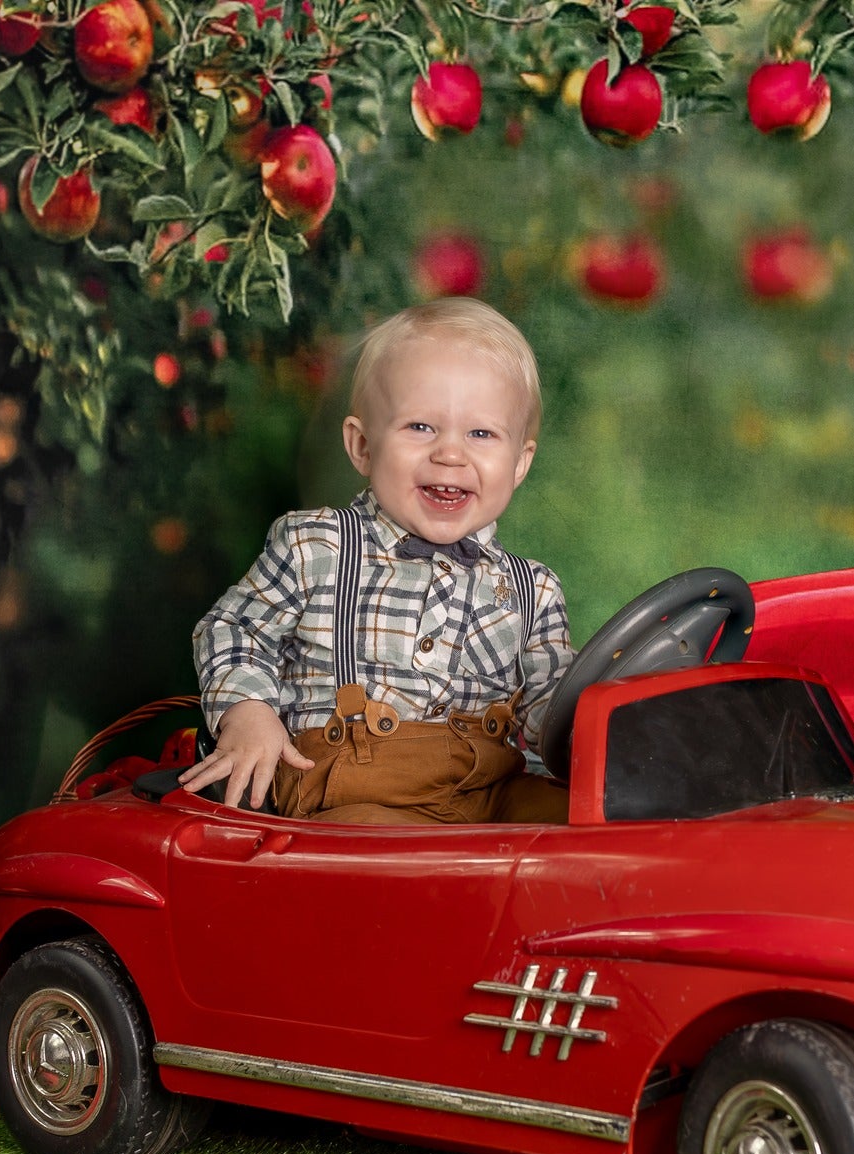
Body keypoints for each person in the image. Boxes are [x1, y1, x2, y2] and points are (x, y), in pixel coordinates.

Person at [179, 298, 573, 825]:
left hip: (488, 795)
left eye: (481, 433)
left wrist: (597, 726)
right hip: (355, 797)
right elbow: (234, 628)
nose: (450, 454)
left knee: (585, 823)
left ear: (519, 462)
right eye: (420, 427)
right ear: (362, 446)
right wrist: (248, 712)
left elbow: (555, 711)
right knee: (398, 857)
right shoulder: (316, 545)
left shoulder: (533, 590)